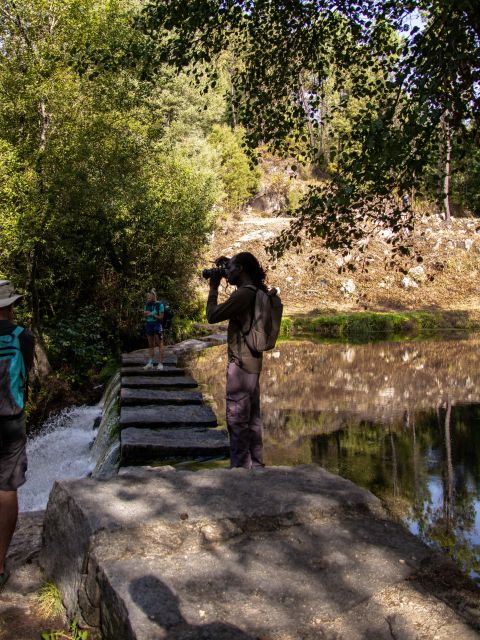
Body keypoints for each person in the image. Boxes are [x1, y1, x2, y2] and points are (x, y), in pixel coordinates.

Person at [206, 252, 267, 469]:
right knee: (252, 420)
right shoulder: (256, 290)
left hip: (240, 366)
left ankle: (240, 472)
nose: (226, 272)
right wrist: (226, 265)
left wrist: (213, 287)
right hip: (253, 363)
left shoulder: (242, 295)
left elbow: (212, 316)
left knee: (237, 420)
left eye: (230, 267)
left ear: (241, 269)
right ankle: (257, 467)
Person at [0, 281, 35, 589]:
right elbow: (29, 371)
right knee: (7, 488)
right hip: (11, 419)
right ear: (11, 306)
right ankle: (0, 562)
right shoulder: (23, 336)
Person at [142, 288, 164, 370]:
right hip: (149, 325)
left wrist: (152, 315)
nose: (148, 299)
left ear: (154, 297)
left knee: (159, 344)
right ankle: (150, 363)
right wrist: (146, 314)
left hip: (157, 325)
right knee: (150, 345)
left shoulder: (160, 305)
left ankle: (160, 363)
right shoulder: (147, 305)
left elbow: (161, 318)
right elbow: (145, 313)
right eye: (147, 298)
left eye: (150, 297)